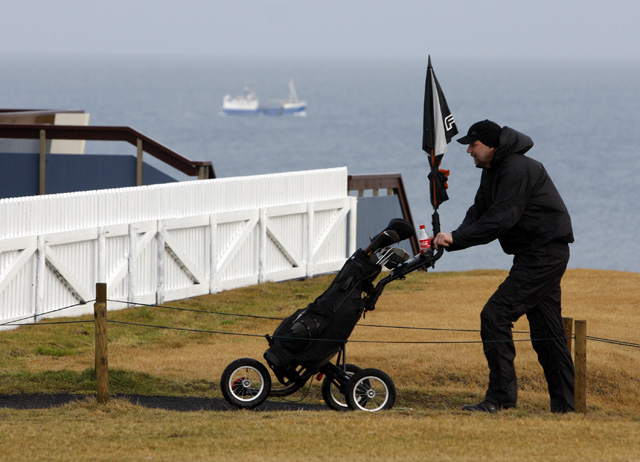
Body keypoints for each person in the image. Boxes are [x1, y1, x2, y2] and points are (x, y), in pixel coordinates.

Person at [432, 119, 575, 414]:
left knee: (495, 315)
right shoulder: (493, 169)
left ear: (491, 146)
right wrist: (452, 240)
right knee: (547, 333)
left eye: (474, 145)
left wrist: (457, 238)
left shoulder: (516, 168)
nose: (469, 151)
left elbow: (501, 218)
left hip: (544, 254)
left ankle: (499, 399)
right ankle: (566, 409)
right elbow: (479, 211)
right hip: (533, 254)